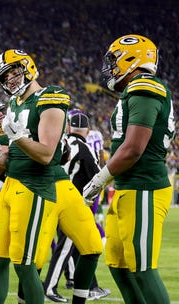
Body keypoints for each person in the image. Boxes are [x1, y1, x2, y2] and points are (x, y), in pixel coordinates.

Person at [0, 49, 102, 304]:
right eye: (5, 78)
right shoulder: (15, 103)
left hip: (38, 185)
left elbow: (47, 153)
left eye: (14, 72)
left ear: (28, 67)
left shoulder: (50, 97)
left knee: (27, 262)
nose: (11, 81)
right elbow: (8, 144)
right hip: (13, 184)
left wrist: (17, 139)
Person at [82, 34, 174, 304]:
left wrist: (99, 179)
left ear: (132, 59)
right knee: (118, 265)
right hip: (127, 187)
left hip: (144, 187)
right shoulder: (135, 90)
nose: (110, 66)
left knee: (143, 270)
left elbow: (134, 148)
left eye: (114, 60)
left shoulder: (145, 87)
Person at [42, 112, 110, 302]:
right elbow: (97, 177)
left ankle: (88, 286)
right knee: (66, 247)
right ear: (87, 131)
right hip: (71, 201)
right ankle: (49, 287)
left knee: (77, 246)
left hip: (50, 195)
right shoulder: (84, 147)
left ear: (69, 128)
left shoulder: (59, 142)